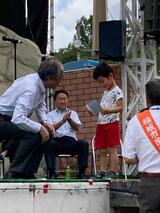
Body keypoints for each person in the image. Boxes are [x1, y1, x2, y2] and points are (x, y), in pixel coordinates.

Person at [0, 56, 64, 178]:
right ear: (49, 78)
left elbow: (40, 104)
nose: (60, 82)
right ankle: (15, 172)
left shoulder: (39, 84)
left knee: (47, 132)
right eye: (59, 78)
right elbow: (18, 118)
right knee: (33, 134)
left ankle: (28, 171)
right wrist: (40, 128)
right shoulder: (31, 88)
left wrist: (44, 122)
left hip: (8, 119)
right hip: (2, 119)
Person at [123, 77, 160, 213]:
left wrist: (144, 156)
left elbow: (128, 158)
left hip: (149, 184)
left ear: (148, 99)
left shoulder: (136, 121)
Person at [44, 90, 89, 179]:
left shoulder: (73, 113)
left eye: (64, 99)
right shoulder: (50, 115)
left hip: (70, 141)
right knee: (49, 144)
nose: (62, 101)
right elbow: (50, 129)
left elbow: (77, 128)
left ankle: (81, 173)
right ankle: (51, 172)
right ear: (55, 101)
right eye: (60, 99)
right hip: (57, 142)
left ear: (68, 100)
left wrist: (69, 120)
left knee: (83, 144)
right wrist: (63, 120)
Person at [92, 62, 123, 178]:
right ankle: (102, 171)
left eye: (102, 81)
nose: (101, 84)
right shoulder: (105, 93)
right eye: (99, 82)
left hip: (112, 122)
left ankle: (114, 171)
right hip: (101, 123)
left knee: (112, 148)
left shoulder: (117, 91)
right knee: (102, 149)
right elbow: (102, 108)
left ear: (110, 76)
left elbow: (120, 107)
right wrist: (94, 110)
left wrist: (108, 111)